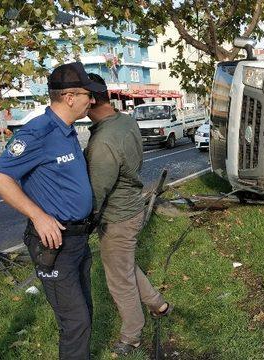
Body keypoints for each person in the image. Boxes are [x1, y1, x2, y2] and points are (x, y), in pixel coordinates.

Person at [0, 62, 106, 359]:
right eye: (86, 95)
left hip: (77, 239)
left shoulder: (66, 130)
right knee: (75, 321)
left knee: (84, 314)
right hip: (54, 245)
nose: (91, 101)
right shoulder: (38, 132)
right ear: (69, 97)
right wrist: (38, 216)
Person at [85, 73, 171, 355]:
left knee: (119, 279)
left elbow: (97, 193)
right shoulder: (125, 120)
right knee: (124, 266)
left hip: (117, 218)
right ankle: (158, 304)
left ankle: (132, 334)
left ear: (91, 100)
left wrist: (86, 222)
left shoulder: (102, 143)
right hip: (133, 206)